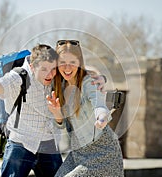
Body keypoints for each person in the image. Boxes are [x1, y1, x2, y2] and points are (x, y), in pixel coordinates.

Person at [0, 44, 106, 177]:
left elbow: (77, 70)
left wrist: (101, 78)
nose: (50, 74)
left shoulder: (55, 77)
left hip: (49, 145)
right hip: (21, 144)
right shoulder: (18, 78)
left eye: (53, 69)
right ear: (33, 67)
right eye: (44, 69)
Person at [47, 40, 124, 177]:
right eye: (62, 63)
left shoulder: (88, 82)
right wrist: (57, 113)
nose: (67, 68)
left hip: (103, 153)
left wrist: (102, 117)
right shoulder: (60, 87)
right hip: (77, 154)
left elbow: (99, 103)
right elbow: (61, 126)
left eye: (72, 62)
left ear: (79, 63)